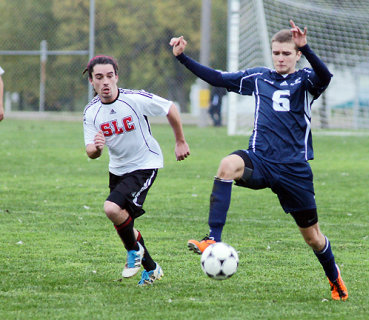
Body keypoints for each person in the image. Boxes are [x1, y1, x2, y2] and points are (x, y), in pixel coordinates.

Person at [170, 20, 348, 301]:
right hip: (260, 161)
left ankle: (334, 277)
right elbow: (217, 78)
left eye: (287, 53)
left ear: (297, 55)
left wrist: (307, 48)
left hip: (294, 170)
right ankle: (212, 237)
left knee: (313, 237)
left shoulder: (305, 81)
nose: (280, 58)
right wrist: (182, 58)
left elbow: (325, 77)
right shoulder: (258, 78)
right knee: (227, 165)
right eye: (276, 53)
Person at [82, 55, 190, 286]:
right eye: (99, 77)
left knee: (112, 208)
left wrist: (180, 141)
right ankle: (151, 268)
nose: (105, 82)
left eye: (109, 76)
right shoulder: (91, 112)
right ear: (91, 81)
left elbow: (170, 108)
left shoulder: (134, 99)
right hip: (118, 169)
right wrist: (97, 149)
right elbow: (90, 150)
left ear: (117, 77)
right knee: (124, 221)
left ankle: (133, 253)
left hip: (145, 163)